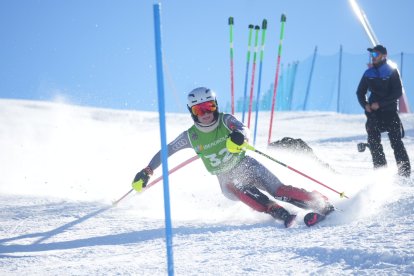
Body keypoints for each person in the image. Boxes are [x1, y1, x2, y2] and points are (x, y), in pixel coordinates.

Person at [131, 87, 334, 227]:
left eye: (209, 107)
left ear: (215, 105)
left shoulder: (225, 120)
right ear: (192, 112)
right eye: (199, 109)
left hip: (247, 164)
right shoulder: (190, 136)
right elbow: (167, 150)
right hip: (226, 178)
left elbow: (243, 128)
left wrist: (238, 136)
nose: (205, 113)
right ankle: (278, 211)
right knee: (237, 185)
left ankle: (321, 203)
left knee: (280, 190)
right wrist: (148, 170)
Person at [356, 45, 411, 177]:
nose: (373, 57)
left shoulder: (391, 70)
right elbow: (360, 92)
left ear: (384, 56)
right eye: (372, 55)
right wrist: (365, 105)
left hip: (390, 112)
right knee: (374, 143)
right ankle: (381, 173)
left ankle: (405, 174)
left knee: (396, 142)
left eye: (375, 54)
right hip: (374, 115)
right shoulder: (368, 73)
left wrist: (380, 104)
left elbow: (397, 92)